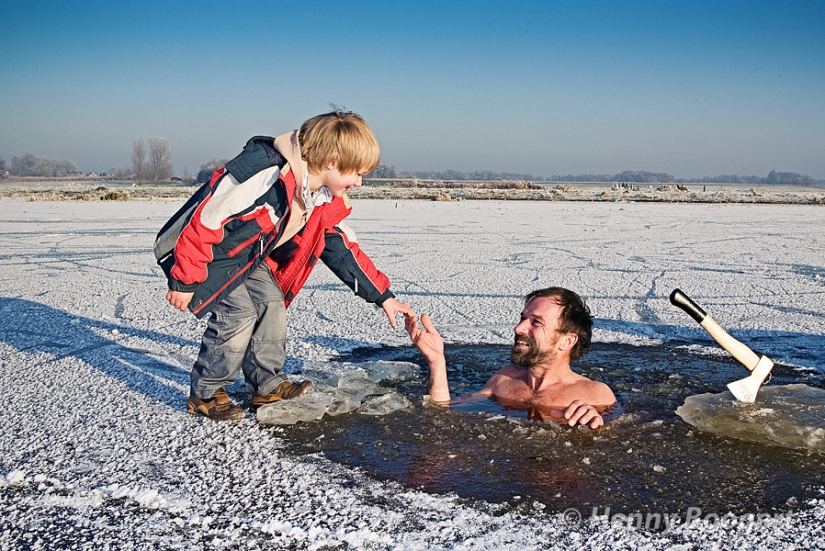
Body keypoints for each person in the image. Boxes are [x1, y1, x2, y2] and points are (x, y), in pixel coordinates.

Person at [157, 110, 414, 421]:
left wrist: (383, 296)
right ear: (331, 161)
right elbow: (206, 220)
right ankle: (207, 392)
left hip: (248, 256)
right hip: (203, 252)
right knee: (238, 314)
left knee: (271, 305)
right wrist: (184, 279)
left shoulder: (320, 198)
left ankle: (266, 385)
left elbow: (343, 250)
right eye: (356, 173)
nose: (359, 183)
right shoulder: (267, 173)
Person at [404, 287, 615, 428]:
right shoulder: (504, 378)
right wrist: (437, 361)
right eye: (523, 318)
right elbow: (442, 410)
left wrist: (596, 425)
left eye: (536, 322)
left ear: (567, 341)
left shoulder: (594, 393)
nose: (519, 328)